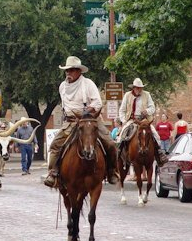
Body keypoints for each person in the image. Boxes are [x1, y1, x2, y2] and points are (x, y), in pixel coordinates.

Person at [44, 56, 119, 188]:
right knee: (55, 145)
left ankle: (112, 171)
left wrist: (86, 111)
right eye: (67, 70)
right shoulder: (62, 87)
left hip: (89, 120)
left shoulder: (88, 84)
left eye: (72, 70)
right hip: (70, 122)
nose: (68, 73)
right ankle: (53, 172)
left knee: (111, 143)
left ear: (79, 71)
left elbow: (97, 102)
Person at [117, 78, 168, 166]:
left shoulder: (147, 95)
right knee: (122, 135)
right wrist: (124, 121)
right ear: (133, 88)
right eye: (137, 87)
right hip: (131, 120)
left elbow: (152, 108)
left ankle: (160, 154)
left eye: (140, 88)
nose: (139, 89)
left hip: (144, 121)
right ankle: (117, 154)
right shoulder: (127, 95)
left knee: (156, 135)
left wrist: (147, 111)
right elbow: (122, 110)